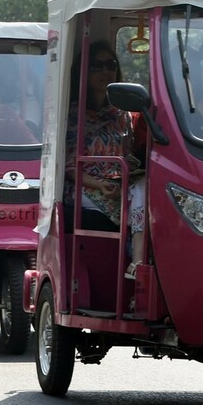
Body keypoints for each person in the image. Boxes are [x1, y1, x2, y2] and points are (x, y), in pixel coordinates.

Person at [63, 40, 146, 278]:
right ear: (84, 72)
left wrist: (126, 178)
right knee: (122, 206)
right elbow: (69, 166)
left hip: (118, 182)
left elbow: (128, 156)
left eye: (110, 65)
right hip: (84, 184)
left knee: (143, 188)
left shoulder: (122, 115)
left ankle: (137, 261)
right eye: (96, 66)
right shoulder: (72, 114)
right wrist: (99, 184)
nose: (105, 71)